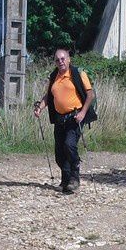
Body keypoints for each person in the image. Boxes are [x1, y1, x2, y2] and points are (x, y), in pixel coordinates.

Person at [33, 48, 95, 194]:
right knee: (59, 153)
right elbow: (48, 96)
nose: (60, 62)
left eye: (63, 58)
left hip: (75, 117)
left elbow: (90, 95)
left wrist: (83, 113)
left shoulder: (78, 73)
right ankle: (65, 180)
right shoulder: (54, 76)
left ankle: (75, 176)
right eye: (57, 60)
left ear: (68, 59)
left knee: (69, 145)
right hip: (59, 118)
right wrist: (40, 108)